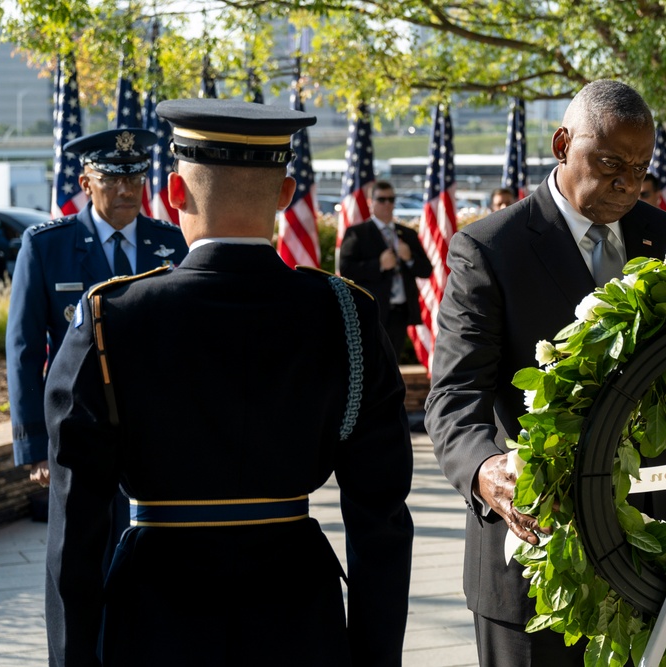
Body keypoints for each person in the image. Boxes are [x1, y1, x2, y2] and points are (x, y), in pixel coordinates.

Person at [43, 99, 415, 666]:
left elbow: (75, 530)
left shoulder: (109, 317)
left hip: (156, 620)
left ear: (171, 192)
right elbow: (381, 517)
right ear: (286, 194)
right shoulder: (344, 313)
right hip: (299, 617)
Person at [425, 79, 666, 667]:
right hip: (539, 555)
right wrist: (483, 469)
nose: (627, 182)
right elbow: (454, 395)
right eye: (608, 163)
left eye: (639, 166)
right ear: (561, 144)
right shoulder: (490, 249)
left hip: (662, 553)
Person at [5, 128, 188, 541]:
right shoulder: (46, 246)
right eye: (113, 180)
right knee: (82, 555)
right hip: (79, 429)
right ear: (86, 183)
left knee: (153, 554)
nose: (127, 190)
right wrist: (35, 447)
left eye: (136, 179)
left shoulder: (172, 244)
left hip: (155, 432)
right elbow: (24, 350)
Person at [338, 180, 433, 360]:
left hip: (400, 311)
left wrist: (409, 258)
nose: (387, 204)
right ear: (370, 202)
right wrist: (378, 265)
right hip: (370, 311)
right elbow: (346, 269)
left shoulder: (407, 234)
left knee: (392, 361)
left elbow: (426, 270)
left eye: (391, 199)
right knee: (371, 362)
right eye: (381, 199)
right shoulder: (358, 233)